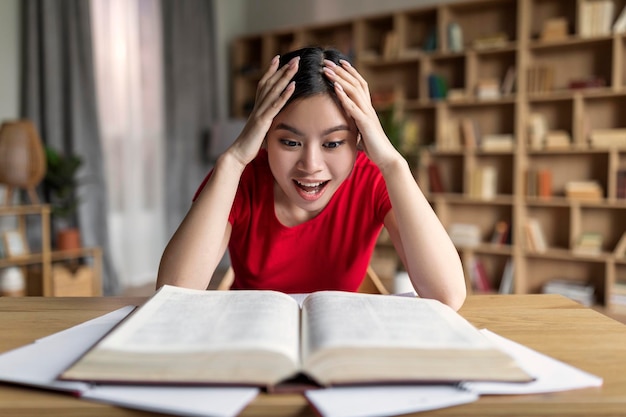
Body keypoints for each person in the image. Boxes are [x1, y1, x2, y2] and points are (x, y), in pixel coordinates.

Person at [156, 47, 466, 310]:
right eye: (290, 142)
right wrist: (234, 159)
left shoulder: (371, 180)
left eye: (333, 143)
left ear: (359, 139)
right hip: (250, 340)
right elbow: (174, 295)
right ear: (263, 137)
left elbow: (446, 295)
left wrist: (392, 162)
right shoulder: (238, 179)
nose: (311, 165)